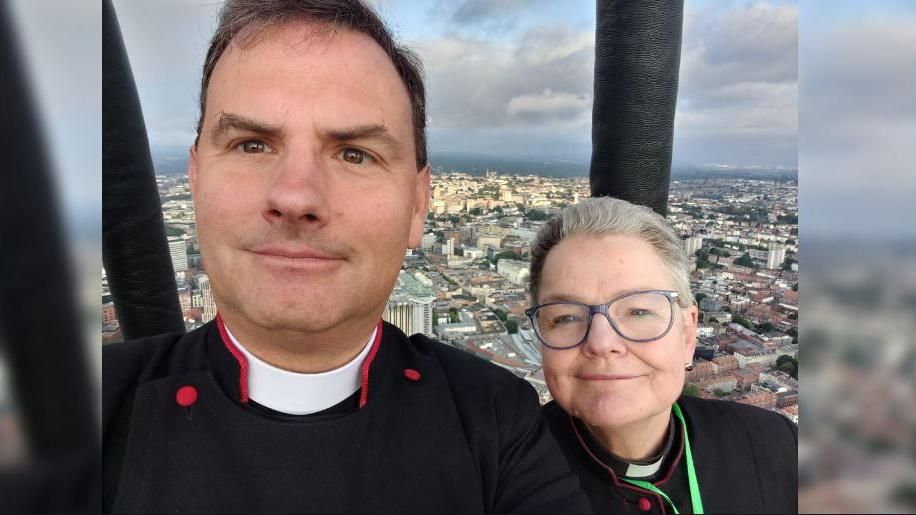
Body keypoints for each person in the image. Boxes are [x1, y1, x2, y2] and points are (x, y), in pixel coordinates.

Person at [102, 1, 590, 513]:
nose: (296, 197)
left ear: (418, 205)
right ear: (196, 180)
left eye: (355, 154)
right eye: (251, 145)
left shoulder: (495, 417)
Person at [526, 197, 797, 514]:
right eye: (565, 317)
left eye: (638, 311)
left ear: (687, 334)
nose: (601, 342)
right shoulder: (502, 477)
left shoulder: (776, 445)